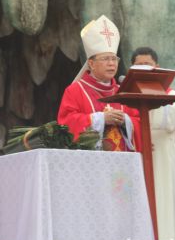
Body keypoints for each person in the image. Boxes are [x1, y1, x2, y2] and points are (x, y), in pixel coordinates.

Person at [125, 47, 175, 240]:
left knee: (165, 208)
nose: (143, 69)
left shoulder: (173, 96)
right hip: (135, 157)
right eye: (138, 65)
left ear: (157, 67)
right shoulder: (125, 96)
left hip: (163, 159)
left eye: (148, 65)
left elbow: (169, 122)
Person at [57, 15, 140, 151]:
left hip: (122, 163)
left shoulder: (123, 92)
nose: (111, 63)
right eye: (106, 59)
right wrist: (101, 119)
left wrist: (126, 120)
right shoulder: (75, 90)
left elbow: (139, 122)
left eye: (114, 59)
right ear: (91, 63)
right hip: (89, 163)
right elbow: (66, 124)